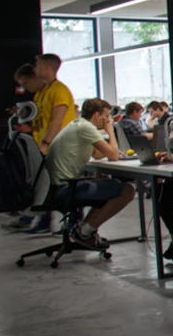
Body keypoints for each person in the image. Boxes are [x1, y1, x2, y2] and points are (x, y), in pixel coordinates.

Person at [45, 98, 136, 249]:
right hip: (65, 188)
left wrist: (110, 150)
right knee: (127, 190)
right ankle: (85, 231)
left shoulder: (78, 124)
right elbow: (113, 156)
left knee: (112, 185)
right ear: (97, 115)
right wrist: (110, 131)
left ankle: (84, 229)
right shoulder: (87, 128)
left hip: (58, 185)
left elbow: (97, 153)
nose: (108, 119)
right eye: (106, 116)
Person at [32, 54, 76, 155]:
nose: (35, 70)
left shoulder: (59, 90)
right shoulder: (46, 90)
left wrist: (45, 142)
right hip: (49, 148)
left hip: (60, 148)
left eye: (38, 65)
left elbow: (57, 120)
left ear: (47, 67)